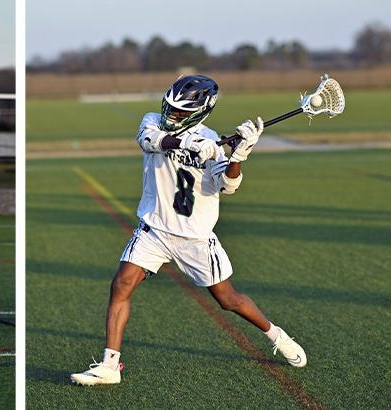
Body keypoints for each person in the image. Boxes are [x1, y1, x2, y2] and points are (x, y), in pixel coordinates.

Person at [71, 75, 306, 386]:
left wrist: (237, 156)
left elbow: (228, 185)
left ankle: (278, 335)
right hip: (154, 228)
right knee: (121, 285)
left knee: (228, 299)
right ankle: (110, 365)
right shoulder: (153, 122)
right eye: (169, 107)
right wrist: (187, 142)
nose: (171, 115)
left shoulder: (213, 143)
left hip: (194, 237)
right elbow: (149, 141)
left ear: (200, 112)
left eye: (180, 113)